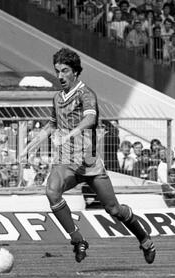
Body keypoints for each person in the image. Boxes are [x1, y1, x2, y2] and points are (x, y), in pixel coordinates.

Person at [20, 48, 155, 264]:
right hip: (67, 163)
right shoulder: (57, 97)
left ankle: (145, 239)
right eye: (57, 71)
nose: (60, 76)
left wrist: (70, 135)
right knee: (52, 191)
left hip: (89, 163)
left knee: (114, 209)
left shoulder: (86, 94)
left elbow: (90, 120)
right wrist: (32, 144)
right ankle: (78, 240)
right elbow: (52, 124)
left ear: (75, 72)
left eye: (65, 71)